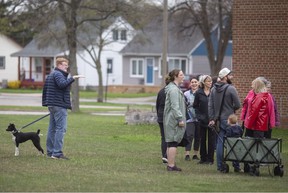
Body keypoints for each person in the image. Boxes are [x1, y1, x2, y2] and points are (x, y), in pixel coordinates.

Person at [42, 57, 84, 160]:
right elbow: (62, 84)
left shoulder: (51, 74)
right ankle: (56, 153)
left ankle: (50, 152)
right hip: (59, 105)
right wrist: (73, 78)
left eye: (67, 65)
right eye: (65, 65)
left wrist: (48, 103)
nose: (67, 67)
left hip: (52, 104)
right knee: (61, 129)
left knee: (52, 129)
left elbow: (46, 89)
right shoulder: (58, 74)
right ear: (59, 65)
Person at [208, 67, 241, 172]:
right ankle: (236, 166)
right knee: (234, 142)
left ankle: (220, 166)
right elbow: (238, 104)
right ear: (225, 77)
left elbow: (210, 106)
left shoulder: (213, 89)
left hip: (218, 120)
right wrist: (232, 108)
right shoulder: (231, 88)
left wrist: (212, 119)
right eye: (230, 75)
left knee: (220, 143)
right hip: (230, 120)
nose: (232, 77)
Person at [163, 69, 186, 171]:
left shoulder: (174, 88)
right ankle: (171, 165)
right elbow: (175, 106)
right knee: (173, 142)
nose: (183, 76)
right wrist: (180, 119)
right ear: (175, 77)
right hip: (173, 119)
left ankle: (170, 164)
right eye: (181, 75)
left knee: (170, 141)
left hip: (171, 118)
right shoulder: (173, 90)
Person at [193, 75, 215, 165]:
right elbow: (195, 106)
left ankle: (210, 159)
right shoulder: (199, 93)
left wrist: (213, 119)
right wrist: (199, 116)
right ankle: (203, 158)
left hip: (212, 120)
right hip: (202, 121)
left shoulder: (213, 92)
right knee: (202, 139)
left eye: (211, 81)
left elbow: (215, 106)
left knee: (211, 140)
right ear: (203, 82)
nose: (210, 83)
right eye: (208, 81)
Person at [183, 76, 200, 161]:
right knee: (189, 135)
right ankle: (187, 154)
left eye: (195, 82)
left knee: (198, 136)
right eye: (192, 82)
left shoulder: (201, 93)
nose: (194, 83)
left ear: (199, 83)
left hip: (199, 118)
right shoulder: (186, 94)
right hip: (189, 118)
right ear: (190, 84)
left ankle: (195, 154)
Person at [156, 80, 169, 164]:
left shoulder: (161, 91)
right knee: (169, 137)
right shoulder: (171, 91)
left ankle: (164, 155)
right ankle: (166, 155)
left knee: (163, 137)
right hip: (168, 117)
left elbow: (157, 105)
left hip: (161, 116)